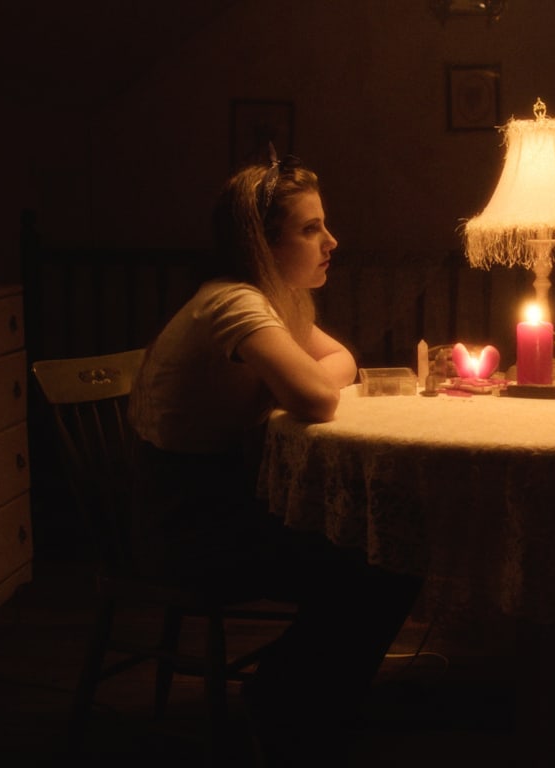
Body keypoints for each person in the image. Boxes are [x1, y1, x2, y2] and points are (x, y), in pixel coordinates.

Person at [128, 149, 422, 766]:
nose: (331, 241)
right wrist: (295, 386)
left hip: (213, 501)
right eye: (310, 228)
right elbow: (320, 395)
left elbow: (342, 360)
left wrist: (297, 384)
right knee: (387, 556)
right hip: (186, 523)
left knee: (379, 549)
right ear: (262, 242)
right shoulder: (235, 302)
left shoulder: (272, 300)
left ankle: (304, 697)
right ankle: (289, 700)